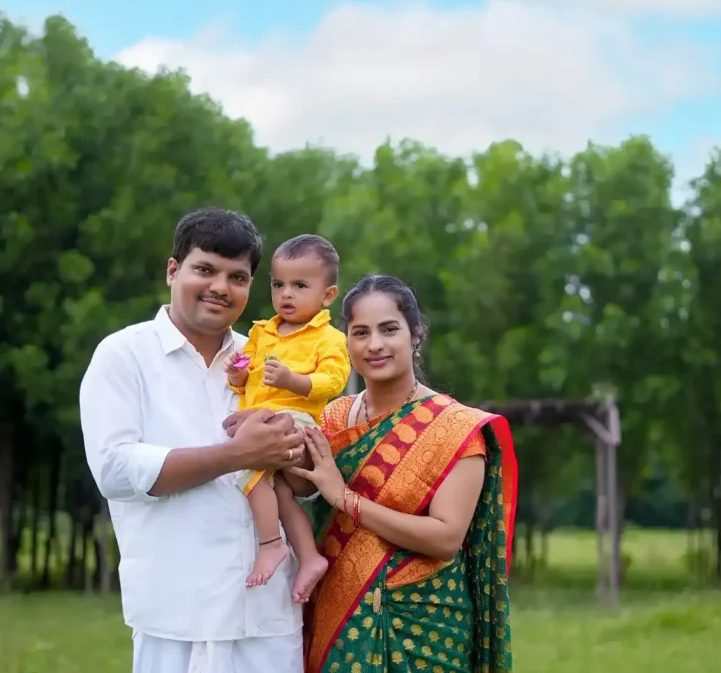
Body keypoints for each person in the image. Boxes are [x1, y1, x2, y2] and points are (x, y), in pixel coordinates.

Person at [224, 274, 518, 673]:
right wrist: (270, 429)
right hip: (338, 621)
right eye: (360, 332)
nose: (374, 344)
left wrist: (345, 499)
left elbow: (446, 538)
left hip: (423, 626)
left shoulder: (456, 429)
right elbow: (297, 484)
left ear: (415, 334)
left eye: (389, 329)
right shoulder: (332, 416)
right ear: (346, 342)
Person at [80, 208, 307, 673]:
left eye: (237, 277)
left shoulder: (267, 360)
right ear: (172, 270)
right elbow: (116, 471)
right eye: (205, 269)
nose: (220, 287)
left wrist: (296, 454)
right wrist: (235, 455)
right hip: (175, 616)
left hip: (266, 616)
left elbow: (304, 482)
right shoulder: (124, 355)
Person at [224, 234, 351, 600]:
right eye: (278, 284)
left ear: (328, 295)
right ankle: (309, 556)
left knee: (246, 468)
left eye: (300, 286)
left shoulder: (328, 338)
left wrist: (292, 380)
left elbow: (334, 381)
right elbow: (246, 376)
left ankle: (271, 544)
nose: (286, 294)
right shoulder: (262, 332)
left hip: (296, 420)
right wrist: (237, 375)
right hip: (261, 416)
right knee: (279, 492)